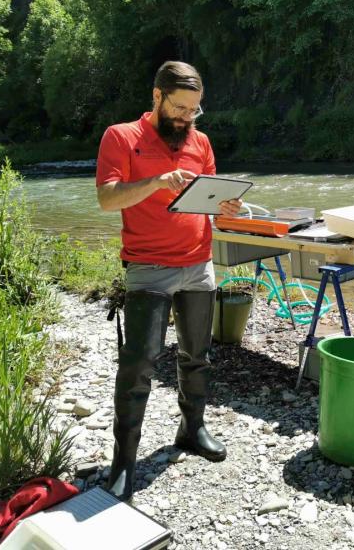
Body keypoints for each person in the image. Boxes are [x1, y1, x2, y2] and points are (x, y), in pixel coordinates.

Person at [95, 61, 242, 501]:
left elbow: (209, 199)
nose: (186, 118)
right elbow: (107, 199)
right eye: (179, 108)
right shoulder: (121, 137)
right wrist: (156, 181)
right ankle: (124, 460)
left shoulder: (201, 142)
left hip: (198, 263)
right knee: (139, 364)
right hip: (147, 266)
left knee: (197, 356)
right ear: (156, 97)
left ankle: (192, 429)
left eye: (194, 110)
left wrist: (224, 208)